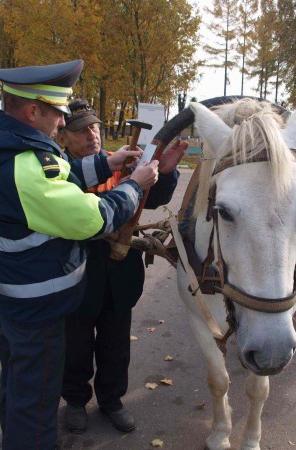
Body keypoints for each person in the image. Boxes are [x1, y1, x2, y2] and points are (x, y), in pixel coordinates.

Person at [0, 59, 160, 450]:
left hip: (14, 299)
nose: (61, 124)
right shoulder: (25, 166)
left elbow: (57, 176)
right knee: (35, 410)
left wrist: (108, 163)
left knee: (17, 391)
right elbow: (93, 217)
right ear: (33, 111)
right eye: (58, 114)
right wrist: (133, 185)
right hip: (39, 308)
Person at [57, 98, 188, 433]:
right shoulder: (58, 171)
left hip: (120, 274)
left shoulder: (121, 162)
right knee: (76, 345)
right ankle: (74, 400)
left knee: (116, 346)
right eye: (81, 130)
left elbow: (152, 199)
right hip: (78, 271)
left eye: (94, 127)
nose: (92, 135)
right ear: (63, 139)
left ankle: (112, 401)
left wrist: (167, 172)